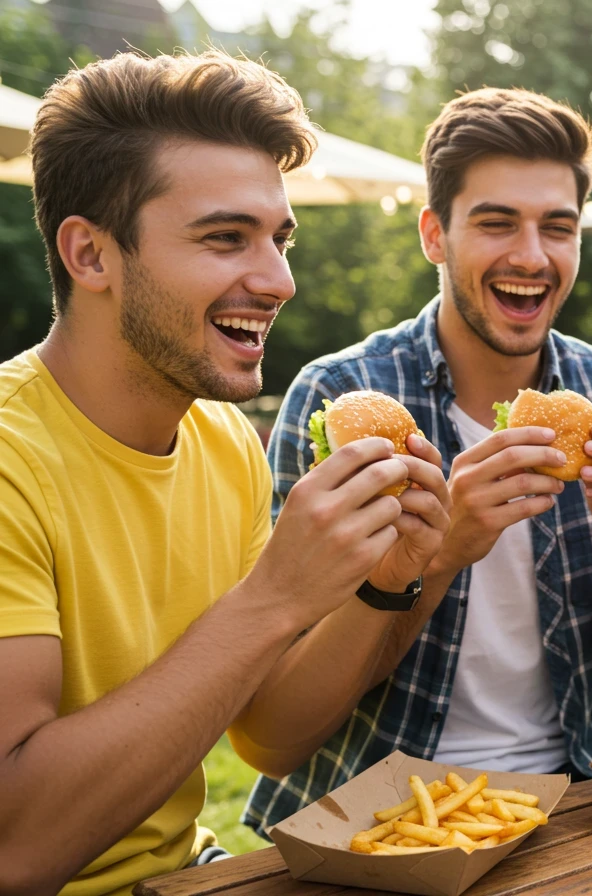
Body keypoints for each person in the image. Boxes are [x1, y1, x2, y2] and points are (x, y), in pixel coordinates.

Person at [0, 50, 450, 896]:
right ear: (90, 256)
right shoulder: (8, 461)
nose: (279, 280)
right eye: (224, 238)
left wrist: (384, 587)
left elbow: (268, 738)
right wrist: (273, 599)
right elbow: (15, 847)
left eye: (279, 239)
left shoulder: (222, 437)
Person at [240, 88, 592, 834]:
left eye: (557, 228)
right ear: (435, 235)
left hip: (573, 803)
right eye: (497, 223)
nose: (531, 257)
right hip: (378, 809)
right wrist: (437, 555)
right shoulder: (345, 401)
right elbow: (280, 732)